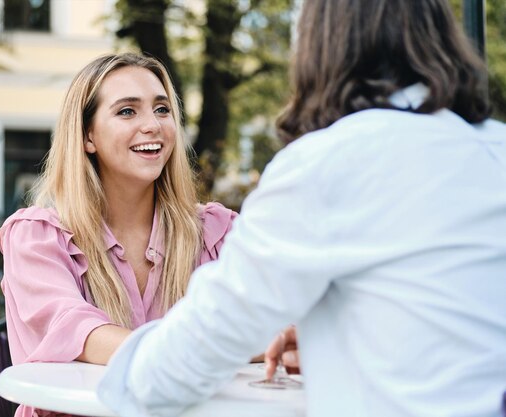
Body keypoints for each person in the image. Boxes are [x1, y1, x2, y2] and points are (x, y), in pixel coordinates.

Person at [96, 1, 506, 416]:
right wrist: (327, 339)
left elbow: (193, 352)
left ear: (322, 44)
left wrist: (131, 377)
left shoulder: (330, 164)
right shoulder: (497, 148)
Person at [0, 53, 236, 417]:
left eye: (162, 109)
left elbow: (265, 324)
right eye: (127, 111)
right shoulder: (37, 239)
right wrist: (202, 346)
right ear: (87, 135)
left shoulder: (217, 234)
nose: (152, 125)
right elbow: (76, 332)